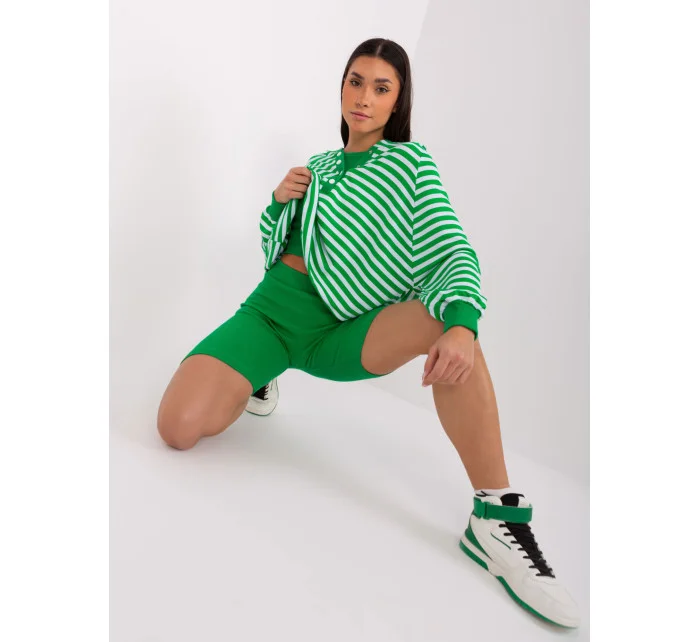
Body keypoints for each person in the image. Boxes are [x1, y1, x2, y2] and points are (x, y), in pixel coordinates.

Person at [157, 38, 580, 629]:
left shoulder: (410, 165)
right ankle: (260, 375)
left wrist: (463, 325)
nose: (364, 97)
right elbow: (275, 245)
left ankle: (495, 517)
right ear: (341, 87)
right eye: (355, 81)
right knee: (176, 429)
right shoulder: (319, 167)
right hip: (269, 316)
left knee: (449, 324)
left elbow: (451, 247)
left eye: (382, 88)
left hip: (341, 331)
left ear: (398, 101)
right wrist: (277, 202)